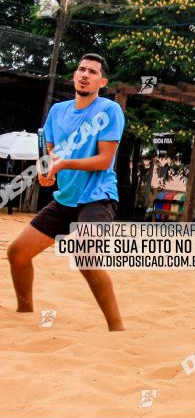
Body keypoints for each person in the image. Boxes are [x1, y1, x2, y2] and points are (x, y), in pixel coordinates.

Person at [6, 54, 126, 331]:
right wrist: (46, 171)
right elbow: (49, 156)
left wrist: (64, 163)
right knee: (17, 254)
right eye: (81, 69)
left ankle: (116, 329)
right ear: (74, 75)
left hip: (98, 195)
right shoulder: (58, 112)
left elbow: (104, 160)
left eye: (92, 72)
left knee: (85, 255)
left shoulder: (108, 110)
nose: (85, 74)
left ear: (102, 81)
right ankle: (24, 314)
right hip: (67, 198)